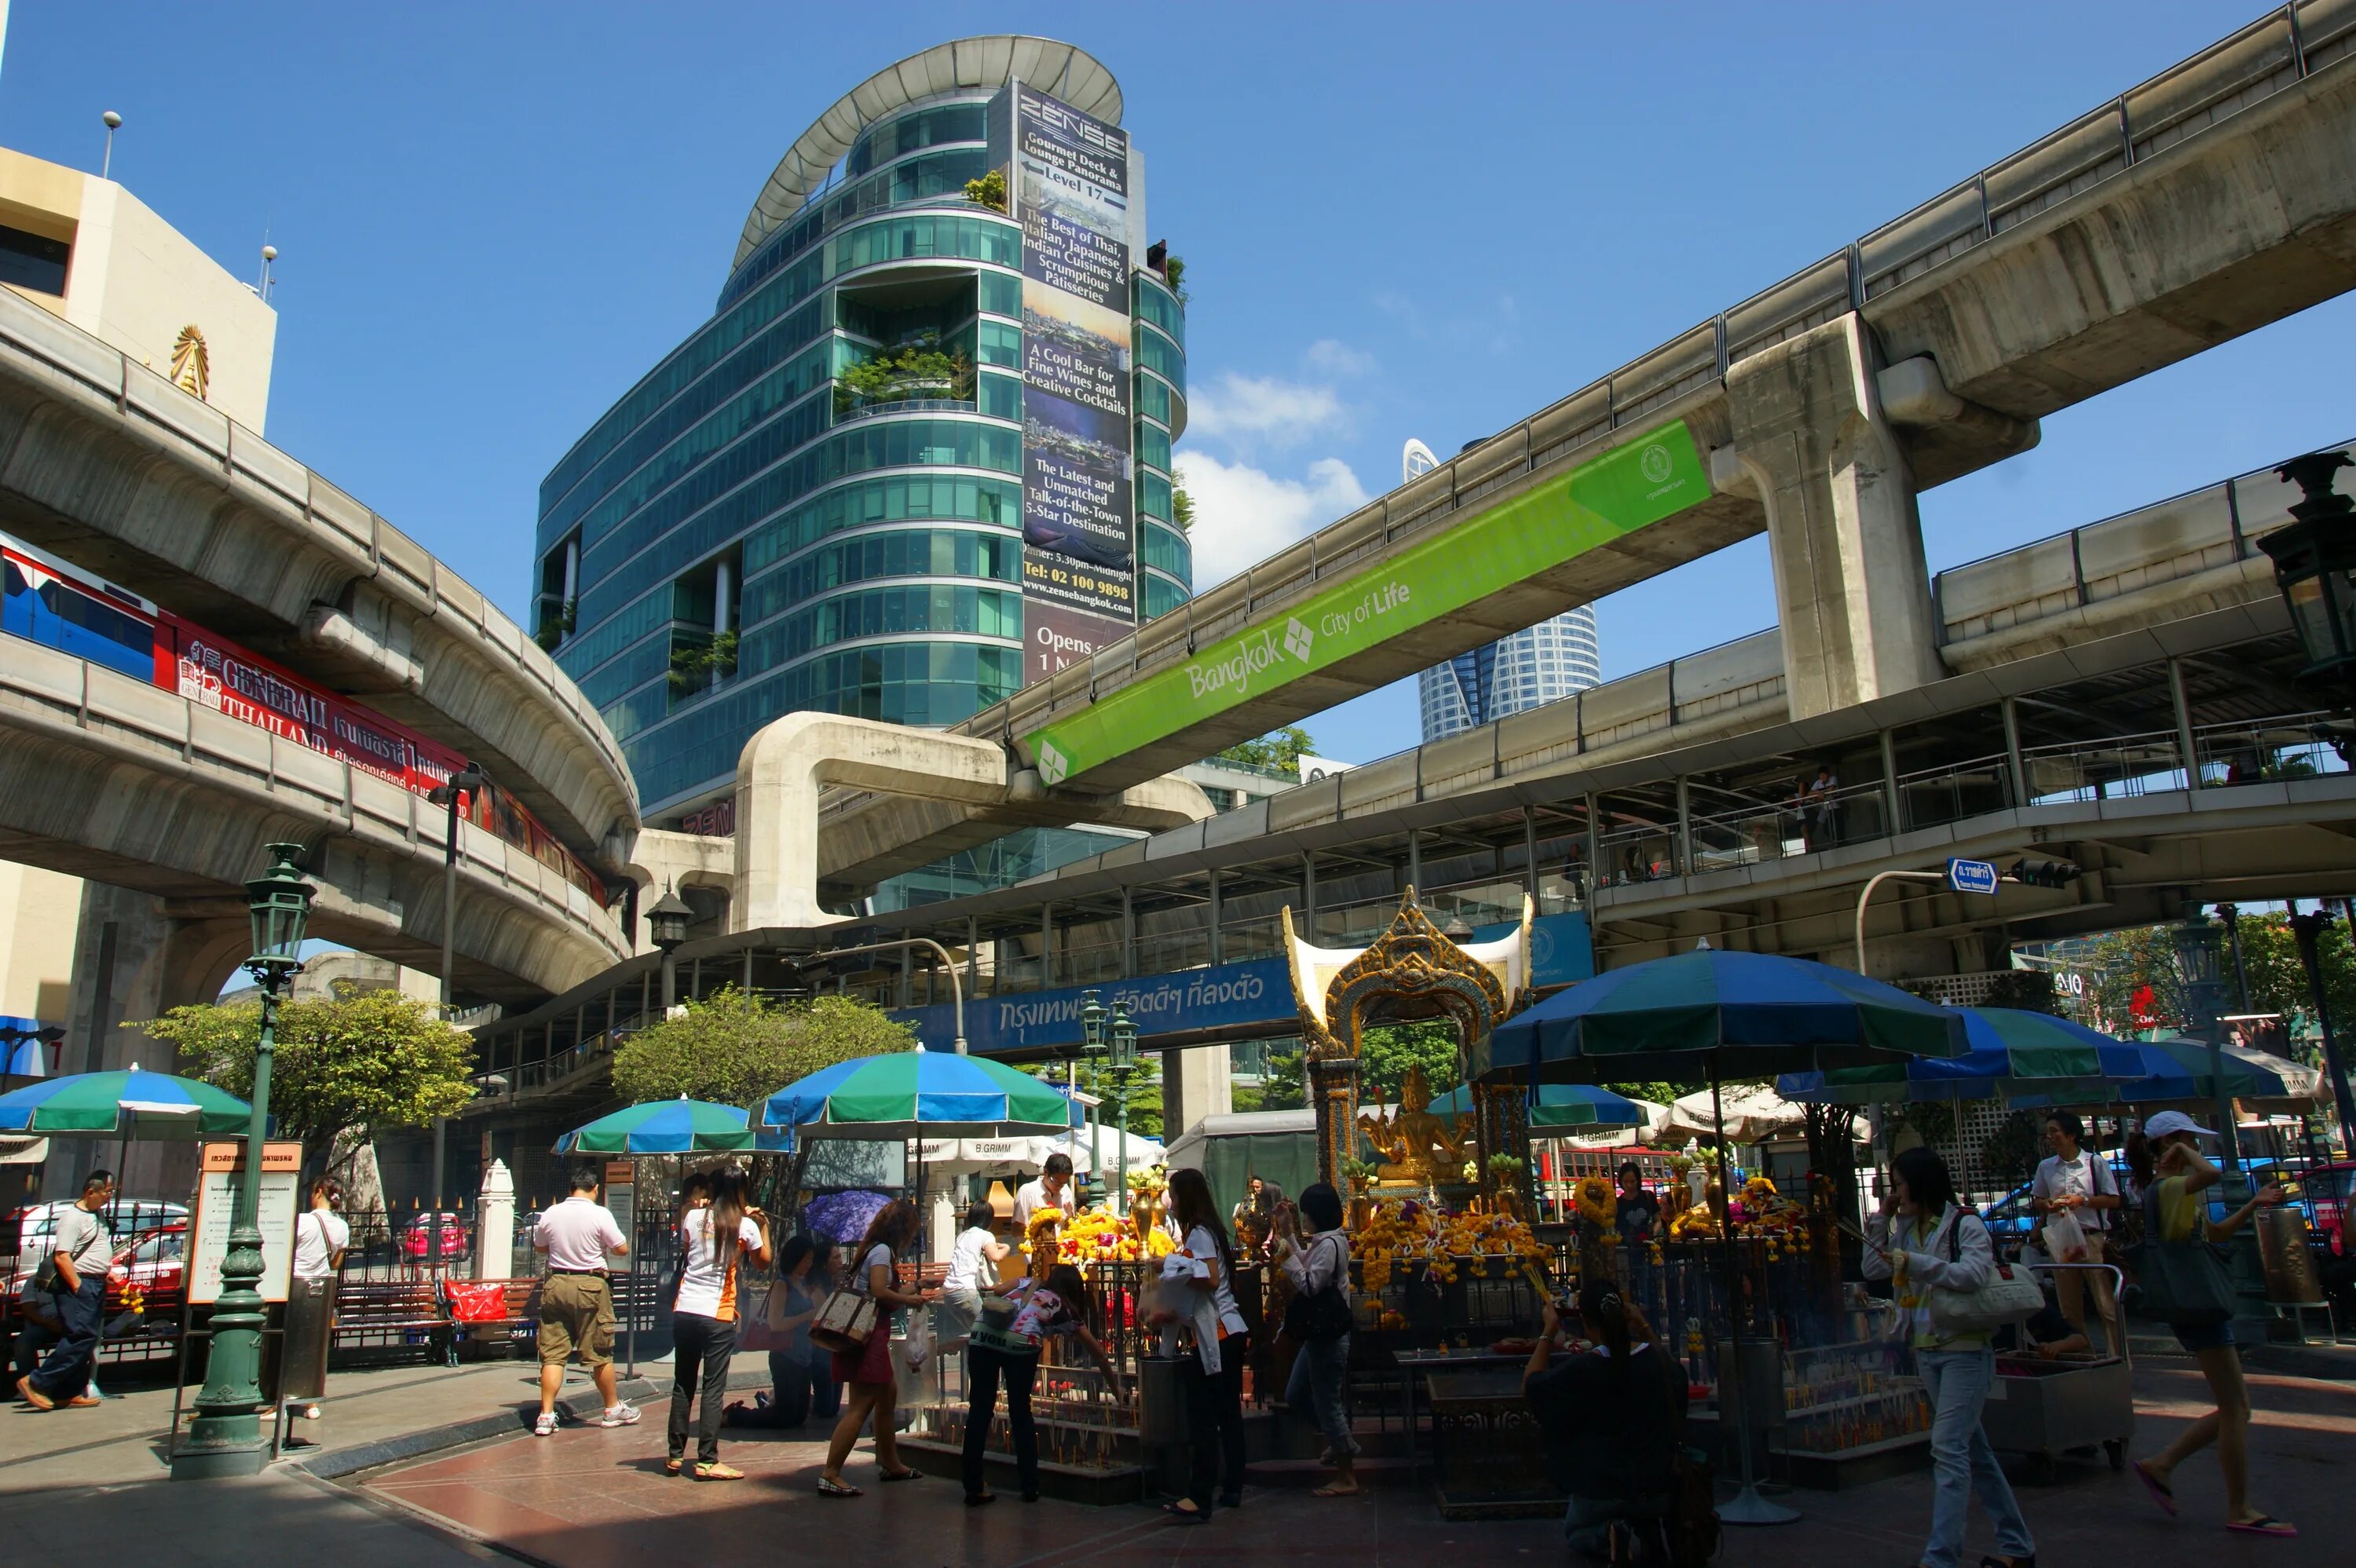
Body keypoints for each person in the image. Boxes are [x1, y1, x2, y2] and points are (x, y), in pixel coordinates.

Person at [1863, 1146, 2036, 1568]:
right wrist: (1882, 1220)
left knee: (1948, 1449)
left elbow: (1973, 1275)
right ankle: (2018, 1546)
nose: (1896, 1191)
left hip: (1965, 1350)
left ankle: (1941, 1558)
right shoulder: (1905, 1228)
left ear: (1920, 1183)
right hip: (1926, 1349)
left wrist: (1916, 1264)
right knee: (1973, 1451)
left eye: (1900, 1183)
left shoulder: (1965, 1224)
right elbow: (1873, 1269)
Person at [2127, 1111, 2296, 1538]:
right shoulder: (2170, 1187)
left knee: (2235, 1405)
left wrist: (2254, 1205)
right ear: (2174, 1143)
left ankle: (2162, 1464)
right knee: (2237, 1406)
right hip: (2199, 1302)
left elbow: (2213, 1235)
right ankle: (2238, 1506)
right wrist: (2180, 1151)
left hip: (2193, 1300)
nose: (2198, 1148)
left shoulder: (2170, 1189)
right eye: (2190, 1140)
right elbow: (2213, 1174)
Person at [1524, 1277, 1687, 1563]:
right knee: (1642, 1501)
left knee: (1576, 1533)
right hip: (1659, 1485)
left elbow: (1531, 1387)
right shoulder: (1654, 1362)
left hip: (1606, 1489)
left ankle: (1609, 1532)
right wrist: (1644, 1326)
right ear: (1626, 1315)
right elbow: (1673, 1371)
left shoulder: (1585, 1368)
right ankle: (1645, 1526)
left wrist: (1549, 1331)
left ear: (1586, 1322)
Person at [962, 1262, 1122, 1506]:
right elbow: (1098, 1353)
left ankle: (973, 1486)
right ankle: (1029, 1486)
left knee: (979, 1411)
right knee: (1020, 1413)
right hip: (1021, 1345)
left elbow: (998, 1290)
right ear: (1073, 1289)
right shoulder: (1059, 1306)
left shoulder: (1027, 1282)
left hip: (982, 1336)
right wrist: (1115, 1388)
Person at [818, 1198, 938, 1497]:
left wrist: (918, 1285)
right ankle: (830, 1473)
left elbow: (885, 1291)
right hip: (868, 1337)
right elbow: (880, 1292)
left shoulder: (873, 1249)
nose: (913, 1238)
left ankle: (890, 1462)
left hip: (871, 1335)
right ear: (901, 1229)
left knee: (887, 1397)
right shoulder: (882, 1251)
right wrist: (912, 1300)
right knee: (861, 1406)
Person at [1154, 1166, 1249, 1524]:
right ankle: (1233, 1486)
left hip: (1218, 1336)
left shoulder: (1199, 1236)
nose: (1171, 1204)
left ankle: (1199, 1495)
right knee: (1227, 1414)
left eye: (1174, 1197)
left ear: (1185, 1199)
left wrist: (1170, 1267)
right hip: (1230, 1331)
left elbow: (1208, 1279)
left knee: (1204, 1417)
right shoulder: (1211, 1231)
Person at [668, 1168, 770, 1479]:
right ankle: (707, 1460)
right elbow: (764, 1262)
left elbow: (689, 1251)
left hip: (684, 1309)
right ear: (742, 1192)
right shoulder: (746, 1225)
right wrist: (763, 1226)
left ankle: (674, 1456)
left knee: (683, 1383)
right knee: (713, 1389)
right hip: (718, 1313)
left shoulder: (692, 1217)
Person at [529, 1162, 637, 1438]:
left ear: (571, 1188)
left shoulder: (551, 1212)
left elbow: (540, 1247)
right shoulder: (600, 1214)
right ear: (596, 1188)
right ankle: (612, 1408)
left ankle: (546, 1414)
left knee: (553, 1353)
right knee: (599, 1350)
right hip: (590, 1284)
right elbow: (621, 1247)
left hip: (556, 1283)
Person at [1273, 1182, 1358, 1497]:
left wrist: (1286, 1259)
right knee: (1297, 1394)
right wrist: (1287, 1233)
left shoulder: (1331, 1245)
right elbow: (1307, 1260)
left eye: (1307, 1213)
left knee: (1327, 1401)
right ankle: (1340, 1441)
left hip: (1329, 1337)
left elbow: (1309, 1283)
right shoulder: (1325, 1242)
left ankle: (1346, 1473)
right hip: (1318, 1335)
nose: (1304, 1218)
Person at [15, 1169, 115, 1411]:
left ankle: (67, 1392)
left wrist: (106, 1271)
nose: (109, 1197)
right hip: (80, 1283)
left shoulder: (97, 1215)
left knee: (86, 1336)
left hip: (96, 1282)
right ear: (91, 1191)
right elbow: (62, 1257)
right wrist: (79, 1287)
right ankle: (36, 1381)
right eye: (107, 1192)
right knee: (80, 1336)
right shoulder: (73, 1218)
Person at [2028, 1110, 2120, 1353]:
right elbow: (2038, 1199)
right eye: (2048, 1132)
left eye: (2055, 1131)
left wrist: (2083, 1200)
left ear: (2071, 1135)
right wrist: (2047, 1205)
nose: (2050, 1137)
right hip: (2061, 1239)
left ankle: (2117, 1354)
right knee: (2069, 1306)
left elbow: (2113, 1199)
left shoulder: (2094, 1163)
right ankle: (2082, 1353)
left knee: (2105, 1303)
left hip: (2091, 1238)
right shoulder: (2046, 1167)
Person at [726, 1234, 839, 1430]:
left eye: (811, 1260)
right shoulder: (782, 1284)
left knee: (798, 1416)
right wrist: (807, 1315)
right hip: (785, 1356)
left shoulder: (802, 1283)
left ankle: (771, 1401)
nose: (809, 1264)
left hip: (804, 1355)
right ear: (795, 1258)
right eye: (806, 1259)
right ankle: (735, 1416)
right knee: (784, 1417)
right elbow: (776, 1324)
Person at [283, 1175, 349, 1427]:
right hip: (321, 1289)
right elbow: (336, 1262)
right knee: (315, 1345)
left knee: (287, 1343)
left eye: (313, 1191)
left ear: (320, 1192)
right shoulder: (341, 1227)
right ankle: (311, 1401)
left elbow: (288, 1252)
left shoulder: (303, 1221)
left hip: (296, 1284)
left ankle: (281, 1399)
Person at [941, 1200, 1010, 1347]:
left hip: (948, 1294)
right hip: (965, 1292)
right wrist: (1007, 1247)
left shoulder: (962, 1235)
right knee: (990, 1333)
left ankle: (972, 1367)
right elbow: (996, 1256)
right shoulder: (986, 1235)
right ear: (989, 1220)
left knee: (976, 1335)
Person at [1012, 1154, 1075, 1230]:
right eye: (1056, 1181)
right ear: (1046, 1172)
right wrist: (1037, 1226)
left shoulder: (1066, 1190)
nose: (1059, 1186)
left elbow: (1070, 1227)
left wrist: (1070, 1216)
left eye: (1064, 1183)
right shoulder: (1027, 1191)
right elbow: (1016, 1230)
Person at [1613, 1161, 1661, 1241]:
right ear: (1620, 1181)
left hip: (1647, 1245)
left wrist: (1653, 1235)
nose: (1629, 1185)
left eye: (1632, 1181)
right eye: (1625, 1182)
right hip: (1626, 1248)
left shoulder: (1648, 1196)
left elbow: (1658, 1221)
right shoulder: (1617, 1203)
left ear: (1638, 1180)